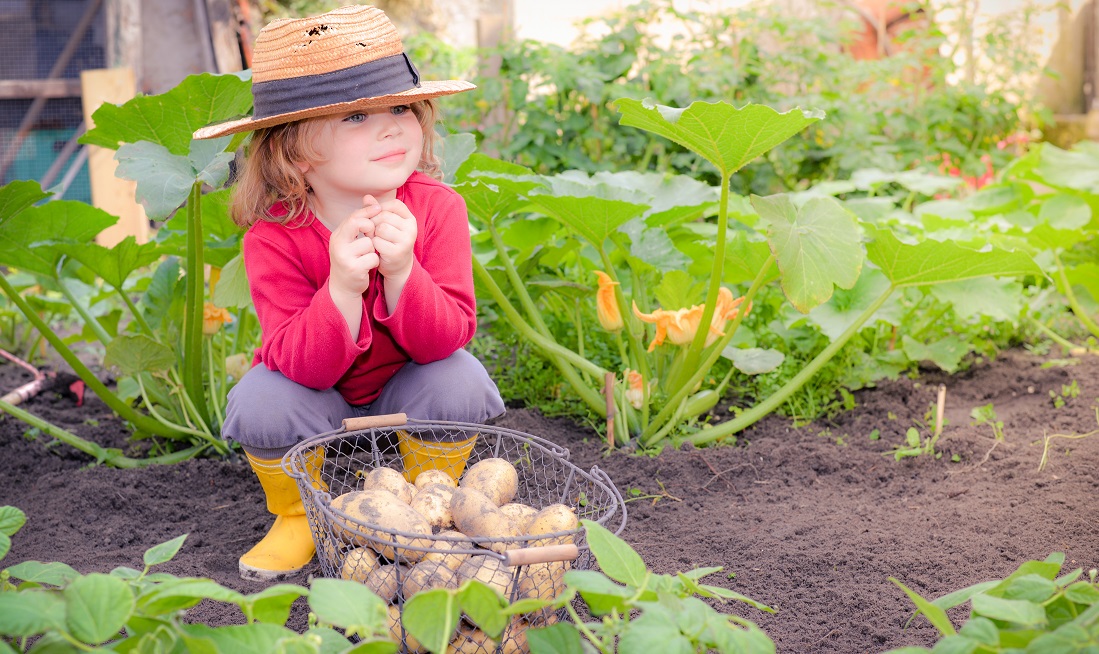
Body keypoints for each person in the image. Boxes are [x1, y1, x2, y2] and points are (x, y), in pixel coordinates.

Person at [193, 4, 505, 582]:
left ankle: (423, 504)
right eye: (357, 116)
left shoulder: (438, 209)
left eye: (401, 108)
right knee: (263, 401)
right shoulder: (274, 236)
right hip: (318, 401)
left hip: (409, 387)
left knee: (459, 378)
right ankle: (296, 516)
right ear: (293, 151)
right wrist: (341, 287)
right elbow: (299, 366)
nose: (391, 126)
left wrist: (405, 273)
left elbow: (447, 338)